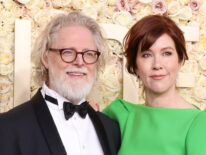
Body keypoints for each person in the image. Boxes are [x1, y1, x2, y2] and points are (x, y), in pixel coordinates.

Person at [103, 15, 206, 155]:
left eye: (166, 53)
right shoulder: (122, 116)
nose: (157, 65)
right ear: (134, 65)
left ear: (180, 60)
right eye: (146, 55)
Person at [0, 12, 120, 155]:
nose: (80, 62)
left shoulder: (111, 129)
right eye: (68, 52)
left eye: (88, 53)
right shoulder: (7, 128)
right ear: (46, 59)